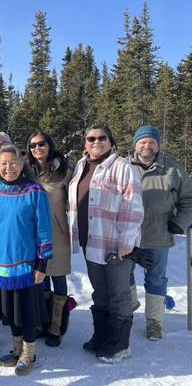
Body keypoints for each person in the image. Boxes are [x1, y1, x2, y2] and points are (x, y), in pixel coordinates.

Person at [68, 124, 144, 363]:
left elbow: (133, 206)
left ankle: (119, 345)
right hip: (92, 242)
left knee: (119, 295)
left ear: (111, 142)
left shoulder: (123, 167)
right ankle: (101, 336)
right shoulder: (81, 166)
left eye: (102, 138)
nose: (96, 142)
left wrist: (127, 240)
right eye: (91, 138)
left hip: (115, 244)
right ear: (85, 143)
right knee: (100, 292)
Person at [0, 144, 52, 376]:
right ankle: (16, 347)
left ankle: (29, 352)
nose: (8, 167)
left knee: (26, 310)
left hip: (26, 264)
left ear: (22, 165)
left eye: (13, 163)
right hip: (0, 264)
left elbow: (44, 229)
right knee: (9, 310)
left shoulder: (35, 192)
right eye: (4, 164)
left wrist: (43, 262)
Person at [128, 125, 192, 340]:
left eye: (151, 141)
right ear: (136, 144)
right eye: (143, 141)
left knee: (155, 279)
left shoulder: (172, 169)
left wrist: (180, 222)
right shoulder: (123, 166)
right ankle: (127, 306)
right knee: (122, 273)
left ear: (157, 145)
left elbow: (189, 199)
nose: (147, 145)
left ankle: (154, 322)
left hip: (159, 232)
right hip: (127, 234)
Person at [26, 131, 74, 347]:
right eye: (33, 145)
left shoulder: (64, 171)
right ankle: (43, 324)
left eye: (41, 144)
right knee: (40, 278)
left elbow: (75, 200)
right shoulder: (27, 171)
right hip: (34, 234)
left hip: (58, 232)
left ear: (50, 145)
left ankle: (57, 327)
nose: (37, 148)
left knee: (58, 277)